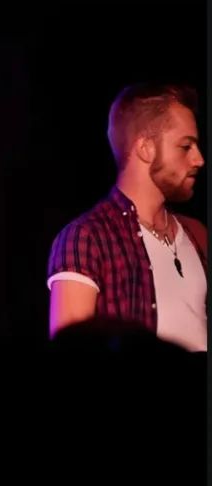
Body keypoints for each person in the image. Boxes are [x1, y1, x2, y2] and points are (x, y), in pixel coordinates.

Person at [47, 82, 206, 351]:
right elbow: (70, 355)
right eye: (185, 146)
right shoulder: (86, 237)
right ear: (146, 148)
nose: (199, 159)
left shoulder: (198, 234)